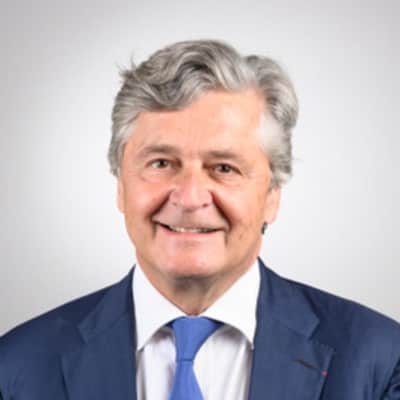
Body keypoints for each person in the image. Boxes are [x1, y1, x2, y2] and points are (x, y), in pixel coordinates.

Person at [0, 39, 399, 400]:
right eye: (161, 163)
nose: (190, 198)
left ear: (272, 195)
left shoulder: (379, 362)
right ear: (121, 186)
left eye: (224, 168)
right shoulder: (17, 367)